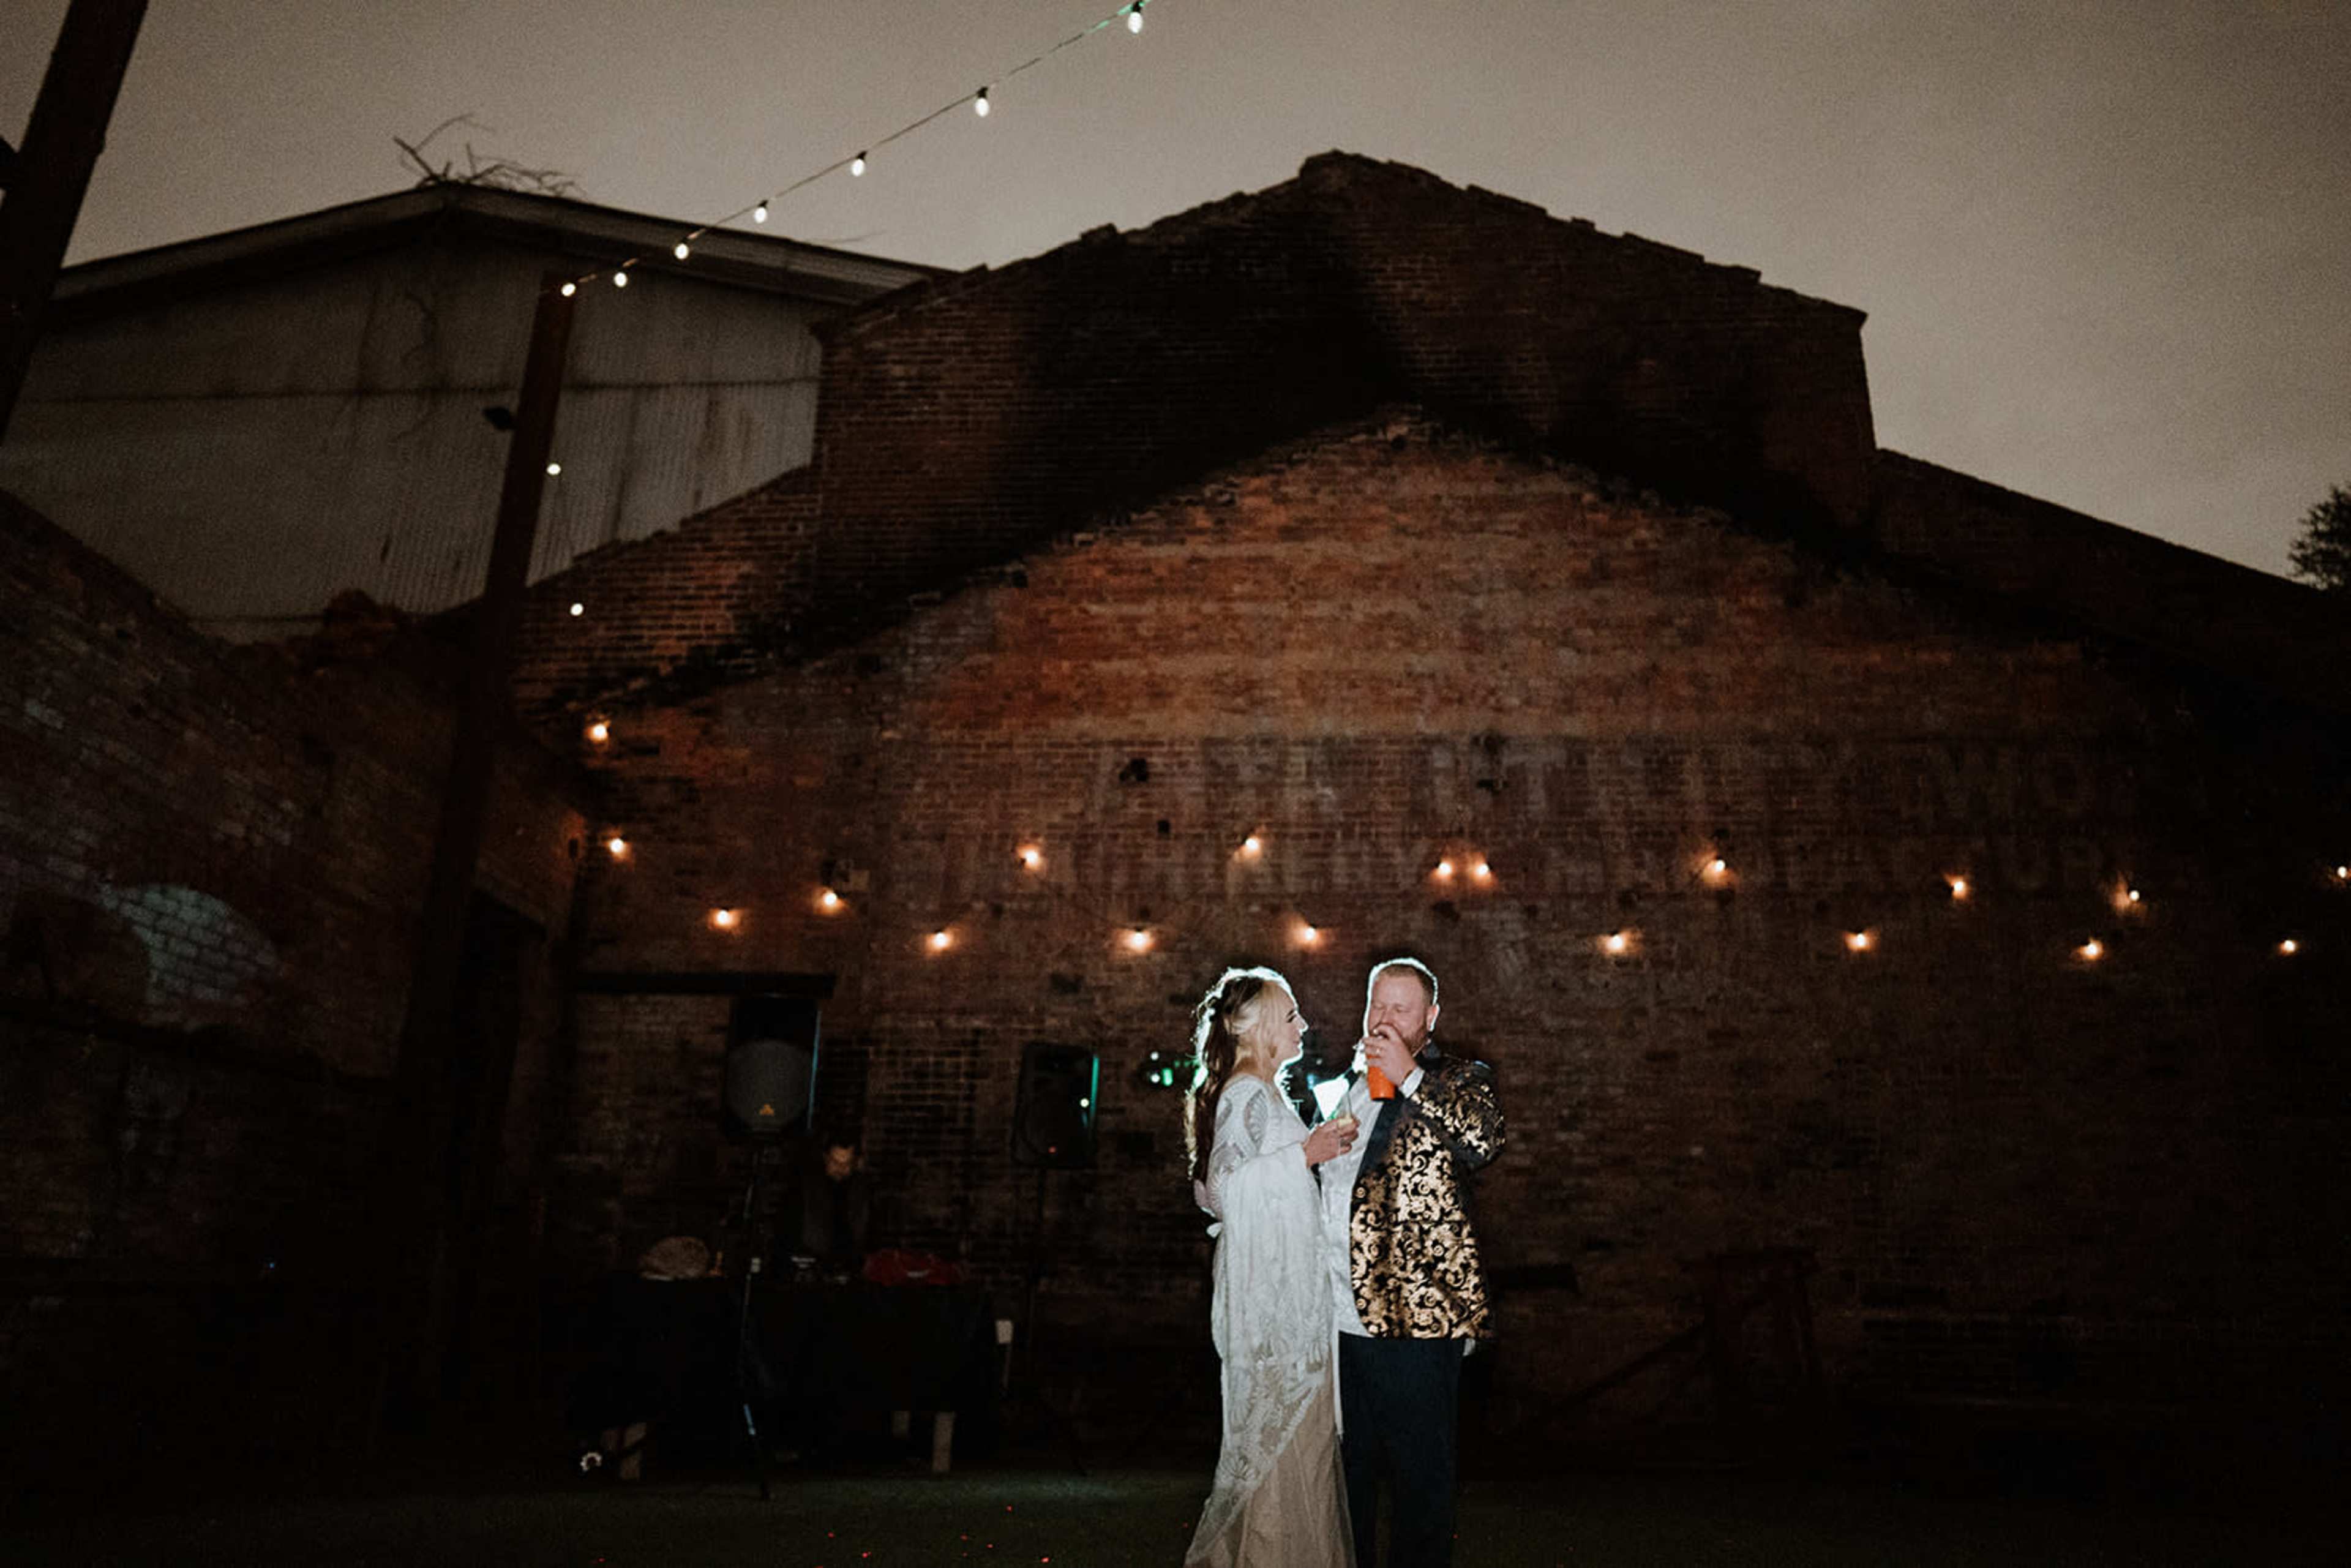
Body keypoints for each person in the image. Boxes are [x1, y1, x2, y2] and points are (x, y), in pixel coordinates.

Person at [1319, 958, 1504, 1568]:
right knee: (1349, 1478)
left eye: (1401, 1008)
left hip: (1420, 1322)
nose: (1385, 1019)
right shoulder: (1344, 1083)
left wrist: (1412, 1079)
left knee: (1421, 1483)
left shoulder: (1460, 1076)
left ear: (1430, 1018)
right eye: (1378, 1005)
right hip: (1341, 1318)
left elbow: (1482, 1141)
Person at [1183, 966, 1360, 1568]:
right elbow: (1230, 1190)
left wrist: (1318, 1152)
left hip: (1291, 1303)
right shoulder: (1246, 1094)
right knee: (1280, 1450)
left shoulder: (1263, 1091)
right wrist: (1306, 1152)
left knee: (1297, 1451)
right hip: (1274, 1315)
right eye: (1290, 1015)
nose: (1303, 1024)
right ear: (1251, 1028)